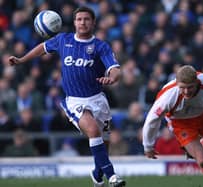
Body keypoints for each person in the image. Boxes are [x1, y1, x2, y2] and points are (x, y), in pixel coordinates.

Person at [8, 6, 125, 187]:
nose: (82, 22)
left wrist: (112, 78)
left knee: (103, 144)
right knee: (93, 131)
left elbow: (116, 70)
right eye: (79, 19)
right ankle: (112, 176)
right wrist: (22, 59)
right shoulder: (63, 40)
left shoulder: (101, 46)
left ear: (93, 22)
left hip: (98, 100)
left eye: (86, 19)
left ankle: (97, 174)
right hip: (75, 101)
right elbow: (42, 48)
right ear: (74, 22)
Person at [142, 65, 203, 187]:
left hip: (202, 116)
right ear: (177, 84)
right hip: (181, 123)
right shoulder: (168, 96)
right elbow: (151, 120)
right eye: (182, 88)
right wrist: (148, 146)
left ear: (197, 82)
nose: (186, 91)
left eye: (190, 87)